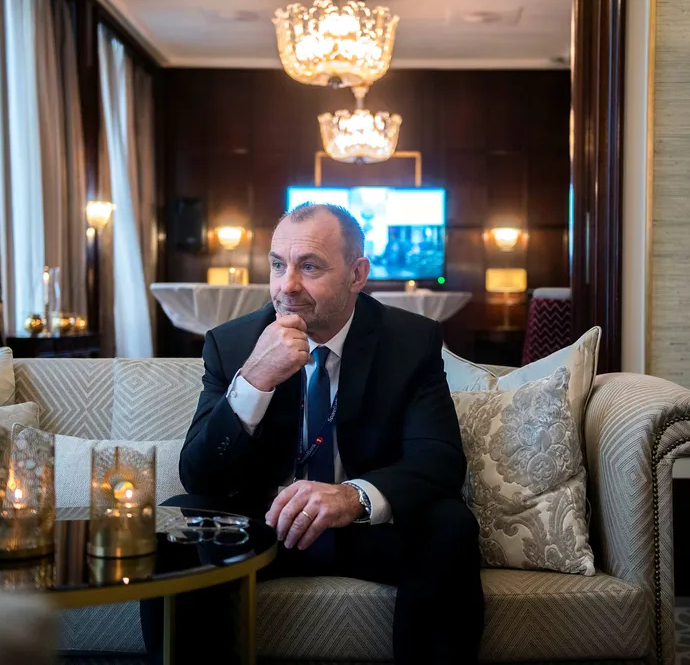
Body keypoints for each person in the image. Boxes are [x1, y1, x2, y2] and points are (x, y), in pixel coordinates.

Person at [145, 203, 483, 664]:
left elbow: (439, 460)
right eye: (278, 265)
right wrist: (255, 379)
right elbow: (200, 476)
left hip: (364, 528)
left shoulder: (410, 340)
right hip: (263, 525)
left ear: (357, 274)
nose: (287, 286)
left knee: (450, 524)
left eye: (309, 267)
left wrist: (353, 496)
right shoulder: (233, 343)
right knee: (174, 523)